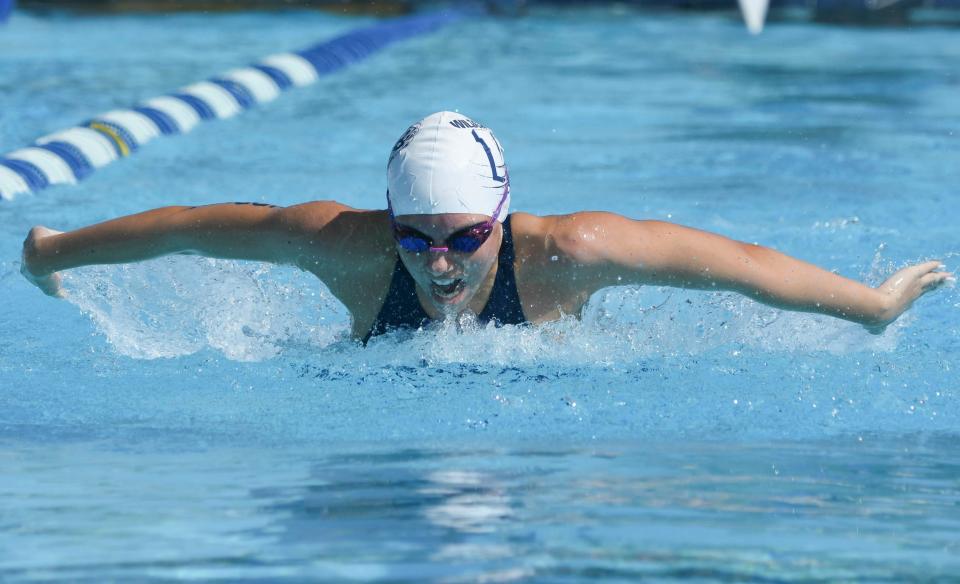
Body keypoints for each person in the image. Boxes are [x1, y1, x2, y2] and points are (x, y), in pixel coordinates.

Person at [20, 111, 953, 343]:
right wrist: (51, 251)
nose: (438, 262)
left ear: (501, 221)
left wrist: (870, 306)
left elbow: (738, 267)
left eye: (464, 237)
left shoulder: (568, 254)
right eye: (416, 236)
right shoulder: (344, 244)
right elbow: (186, 225)